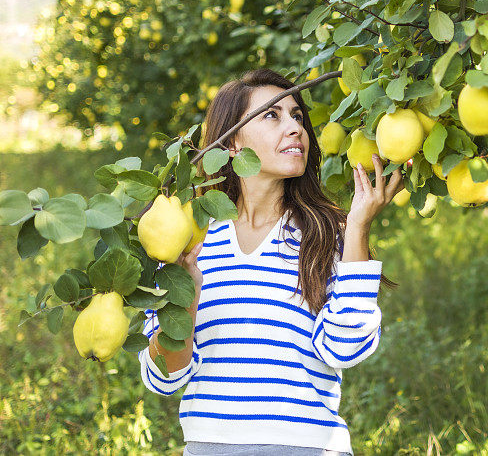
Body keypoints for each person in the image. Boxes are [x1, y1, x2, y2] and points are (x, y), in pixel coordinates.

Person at [137, 68, 405, 456]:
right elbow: (165, 376)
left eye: (297, 116)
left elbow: (345, 349)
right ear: (231, 144)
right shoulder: (184, 235)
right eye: (272, 116)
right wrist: (185, 295)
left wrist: (358, 226)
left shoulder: (327, 233)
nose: (295, 128)